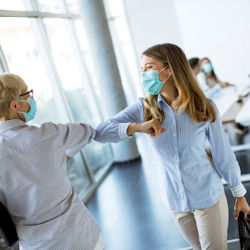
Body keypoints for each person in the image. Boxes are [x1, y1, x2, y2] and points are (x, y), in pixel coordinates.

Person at [95, 43, 249, 250]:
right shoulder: (144, 109)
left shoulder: (203, 106)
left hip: (207, 197)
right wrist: (137, 127)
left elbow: (223, 155)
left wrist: (239, 195)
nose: (144, 74)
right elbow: (100, 132)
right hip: (176, 202)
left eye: (149, 67)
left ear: (169, 69)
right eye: (142, 69)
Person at [0, 73, 104, 250]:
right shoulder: (49, 134)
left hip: (37, 245)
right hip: (81, 237)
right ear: (15, 105)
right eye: (27, 95)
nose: (32, 100)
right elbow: (87, 132)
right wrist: (61, 156)